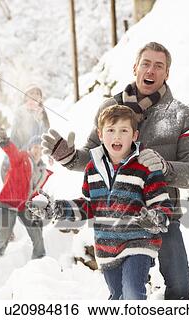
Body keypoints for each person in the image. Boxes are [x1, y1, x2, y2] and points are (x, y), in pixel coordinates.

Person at [41, 42, 189, 299]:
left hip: (160, 215)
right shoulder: (110, 109)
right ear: (135, 67)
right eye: (146, 63)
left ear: (167, 74)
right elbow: (94, 157)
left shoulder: (181, 116)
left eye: (159, 65)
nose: (151, 70)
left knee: (179, 286)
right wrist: (69, 157)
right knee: (124, 292)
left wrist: (165, 168)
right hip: (118, 218)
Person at [32, 105, 173, 299]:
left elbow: (162, 203)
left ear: (134, 135)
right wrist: (57, 208)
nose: (117, 136)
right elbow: (88, 206)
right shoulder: (92, 168)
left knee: (133, 292)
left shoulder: (145, 165)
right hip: (106, 248)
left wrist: (156, 217)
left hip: (138, 243)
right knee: (117, 297)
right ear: (100, 134)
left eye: (124, 130)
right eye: (111, 130)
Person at [0, 128, 52, 260]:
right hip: (9, 200)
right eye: (35, 147)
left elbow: (37, 190)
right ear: (30, 148)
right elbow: (12, 153)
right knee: (4, 233)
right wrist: (4, 141)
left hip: (24, 204)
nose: (38, 151)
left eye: (41, 149)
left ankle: (39, 257)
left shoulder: (42, 171)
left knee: (36, 228)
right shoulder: (22, 158)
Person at [0, 84, 50, 180]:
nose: (35, 95)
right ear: (26, 97)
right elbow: (14, 136)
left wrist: (41, 120)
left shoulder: (41, 112)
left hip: (35, 155)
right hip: (21, 152)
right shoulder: (20, 112)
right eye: (31, 93)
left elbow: (45, 134)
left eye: (37, 93)